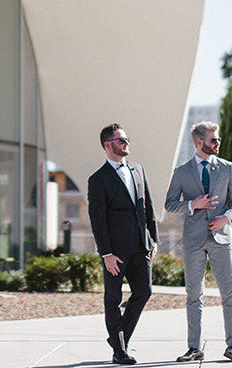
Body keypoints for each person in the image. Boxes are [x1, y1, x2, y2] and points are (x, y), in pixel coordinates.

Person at [163, 121, 232, 363]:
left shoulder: (228, 169)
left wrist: (227, 218)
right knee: (193, 295)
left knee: (229, 294)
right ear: (199, 142)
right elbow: (169, 204)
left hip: (221, 239)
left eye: (217, 139)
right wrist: (192, 205)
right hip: (193, 241)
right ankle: (194, 348)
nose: (218, 143)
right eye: (213, 139)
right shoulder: (181, 172)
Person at [87, 123, 158, 365]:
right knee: (113, 298)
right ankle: (120, 351)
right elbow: (97, 220)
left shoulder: (138, 169)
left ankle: (118, 339)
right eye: (120, 140)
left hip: (141, 246)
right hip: (114, 251)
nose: (126, 142)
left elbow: (147, 206)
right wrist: (106, 252)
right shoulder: (98, 179)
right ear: (108, 145)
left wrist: (154, 240)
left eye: (126, 138)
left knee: (144, 291)